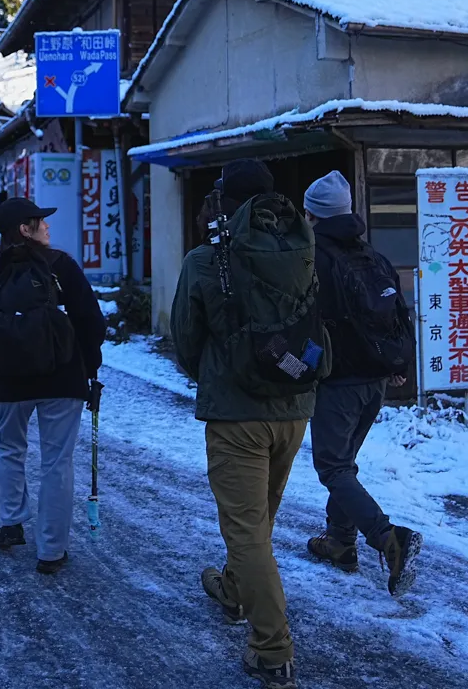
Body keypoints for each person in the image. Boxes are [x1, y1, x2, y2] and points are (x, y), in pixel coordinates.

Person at [171, 159, 326, 689]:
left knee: (246, 531)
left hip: (236, 415)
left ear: (224, 202)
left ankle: (272, 649)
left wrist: (219, 375)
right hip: (295, 407)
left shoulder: (206, 259)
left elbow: (186, 340)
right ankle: (235, 590)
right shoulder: (302, 251)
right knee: (258, 522)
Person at [301, 170, 423, 598]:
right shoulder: (373, 256)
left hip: (338, 382)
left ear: (312, 215)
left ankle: (388, 538)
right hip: (376, 380)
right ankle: (339, 542)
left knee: (333, 467)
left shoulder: (313, 259)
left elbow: (303, 319)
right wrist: (398, 363)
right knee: (345, 463)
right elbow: (398, 315)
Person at [0, 197, 105, 575]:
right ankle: (51, 550)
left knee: (9, 450)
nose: (47, 226)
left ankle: (12, 522)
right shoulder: (61, 265)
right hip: (62, 377)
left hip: (9, 379)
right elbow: (91, 321)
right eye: (40, 221)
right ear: (24, 228)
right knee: (56, 462)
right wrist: (89, 366)